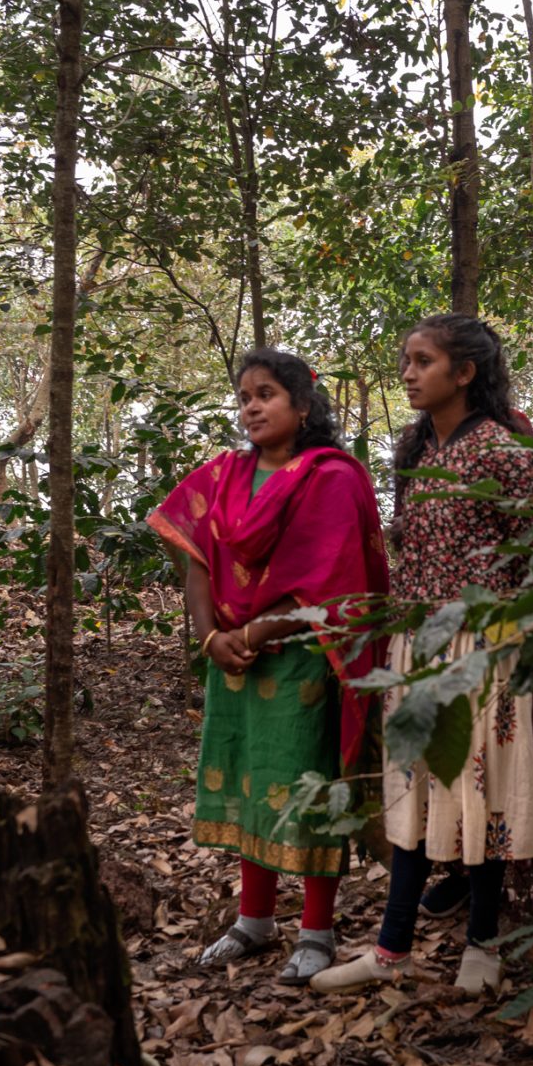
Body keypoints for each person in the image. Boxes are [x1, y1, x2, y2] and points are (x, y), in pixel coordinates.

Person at [314, 315, 533, 995]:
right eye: (405, 360)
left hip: (485, 646)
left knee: (482, 791)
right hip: (416, 644)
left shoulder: (502, 450)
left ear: (465, 373)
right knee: (411, 790)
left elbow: (528, 554)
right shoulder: (413, 446)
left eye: (422, 361)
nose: (408, 373)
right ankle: (392, 949)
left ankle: (484, 940)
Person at [149, 348, 389, 986]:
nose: (251, 407)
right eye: (244, 397)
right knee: (245, 777)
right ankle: (253, 920)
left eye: (266, 395)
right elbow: (198, 557)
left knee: (304, 783)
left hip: (305, 657)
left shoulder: (331, 476)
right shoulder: (224, 475)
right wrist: (210, 638)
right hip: (232, 658)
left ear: (303, 405)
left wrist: (253, 630)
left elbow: (335, 580)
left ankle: (316, 931)